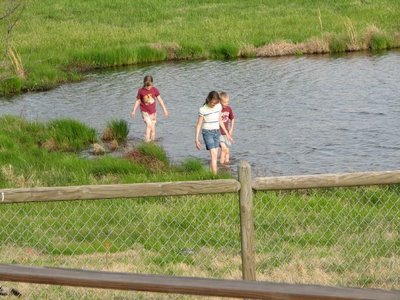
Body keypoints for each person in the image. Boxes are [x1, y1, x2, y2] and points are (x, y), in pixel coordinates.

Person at [195, 91, 232, 174]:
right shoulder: (203, 109)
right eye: (212, 103)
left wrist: (227, 133)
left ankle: (211, 174)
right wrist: (196, 139)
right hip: (207, 133)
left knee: (214, 157)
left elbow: (220, 121)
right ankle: (215, 177)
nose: (213, 105)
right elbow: (199, 124)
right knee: (214, 155)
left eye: (215, 103)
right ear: (209, 99)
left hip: (217, 133)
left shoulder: (218, 106)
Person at [131, 75, 169, 142]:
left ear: (152, 83)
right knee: (149, 125)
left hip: (153, 113)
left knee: (153, 129)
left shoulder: (154, 90)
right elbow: (138, 101)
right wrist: (134, 111)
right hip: (145, 112)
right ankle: (147, 142)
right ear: (144, 83)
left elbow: (160, 100)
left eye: (150, 85)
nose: (148, 87)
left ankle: (152, 143)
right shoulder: (141, 91)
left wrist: (165, 110)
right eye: (147, 85)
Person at [219, 91, 235, 165]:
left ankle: (226, 164)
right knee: (224, 148)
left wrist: (231, 129)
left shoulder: (229, 109)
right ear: (220, 102)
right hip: (218, 133)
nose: (226, 104)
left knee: (227, 150)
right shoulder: (218, 109)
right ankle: (221, 164)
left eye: (227, 102)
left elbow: (232, 119)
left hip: (227, 133)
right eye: (224, 102)